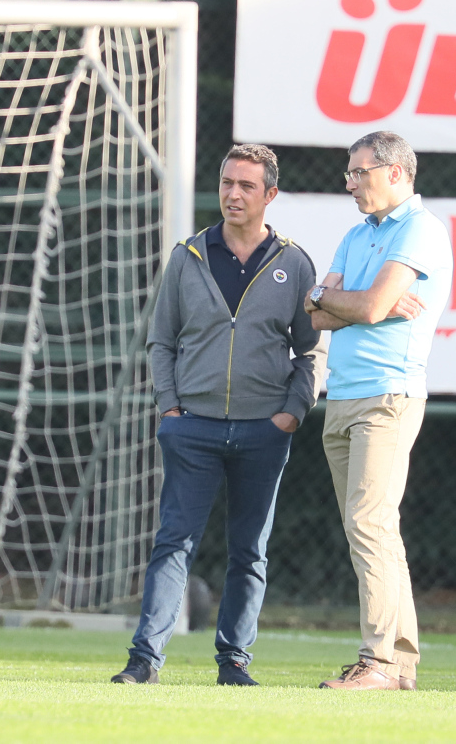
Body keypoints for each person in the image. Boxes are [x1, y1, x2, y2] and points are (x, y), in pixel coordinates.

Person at [112, 144, 327, 686]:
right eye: (227, 182)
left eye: (246, 186)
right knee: (173, 543)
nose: (233, 194)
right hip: (192, 426)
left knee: (249, 551)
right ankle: (144, 661)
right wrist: (170, 408)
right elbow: (161, 340)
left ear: (270, 194)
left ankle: (234, 662)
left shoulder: (294, 263)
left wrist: (292, 412)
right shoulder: (188, 256)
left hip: (264, 430)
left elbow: (312, 349)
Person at [305, 131, 452, 691]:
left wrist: (349, 301)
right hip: (342, 396)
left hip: (388, 396)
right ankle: (399, 663)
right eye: (349, 173)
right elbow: (317, 314)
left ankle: (382, 663)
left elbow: (363, 306)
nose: (349, 183)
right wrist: (346, 302)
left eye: (358, 172)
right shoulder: (356, 234)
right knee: (369, 528)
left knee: (370, 525)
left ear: (395, 173)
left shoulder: (421, 228)